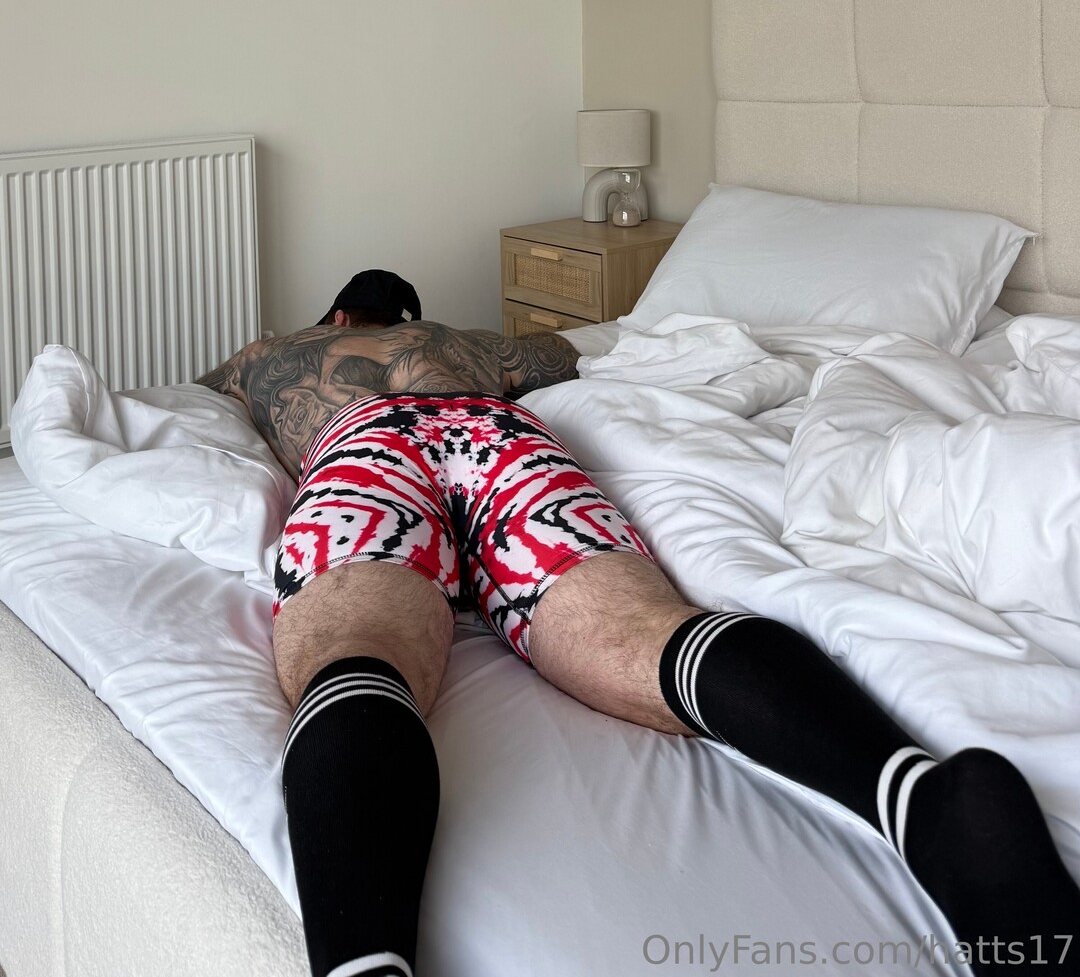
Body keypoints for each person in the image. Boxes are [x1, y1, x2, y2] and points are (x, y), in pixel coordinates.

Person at [199, 269, 1080, 977]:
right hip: (498, 431)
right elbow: (581, 351)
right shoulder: (466, 344)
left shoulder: (268, 354)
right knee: (641, 629)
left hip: (364, 439)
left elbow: (197, 404)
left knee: (359, 651)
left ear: (337, 313)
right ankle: (920, 797)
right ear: (411, 316)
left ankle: (364, 961)